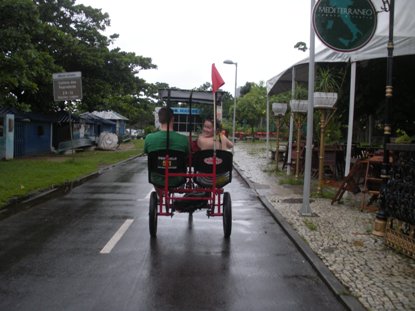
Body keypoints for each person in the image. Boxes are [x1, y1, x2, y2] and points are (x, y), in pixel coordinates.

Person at [145, 107, 189, 187]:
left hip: (157, 178)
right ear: (173, 119)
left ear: (159, 119)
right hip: (177, 178)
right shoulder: (183, 139)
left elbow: (147, 152)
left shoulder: (149, 138)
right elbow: (187, 154)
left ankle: (160, 196)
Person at [194, 117, 233, 187]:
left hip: (205, 179)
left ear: (216, 130)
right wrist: (220, 136)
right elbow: (231, 145)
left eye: (208, 128)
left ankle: (199, 189)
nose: (205, 129)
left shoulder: (201, 140)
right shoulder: (222, 137)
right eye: (204, 126)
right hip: (223, 178)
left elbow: (197, 144)